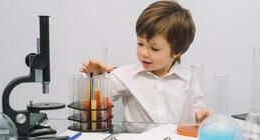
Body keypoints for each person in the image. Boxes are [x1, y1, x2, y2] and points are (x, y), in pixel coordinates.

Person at [80, 0, 209, 124]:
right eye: (140, 43)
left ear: (177, 51)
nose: (143, 53)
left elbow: (199, 115)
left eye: (154, 48)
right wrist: (96, 78)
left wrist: (203, 117)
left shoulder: (189, 80)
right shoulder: (125, 75)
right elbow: (96, 102)